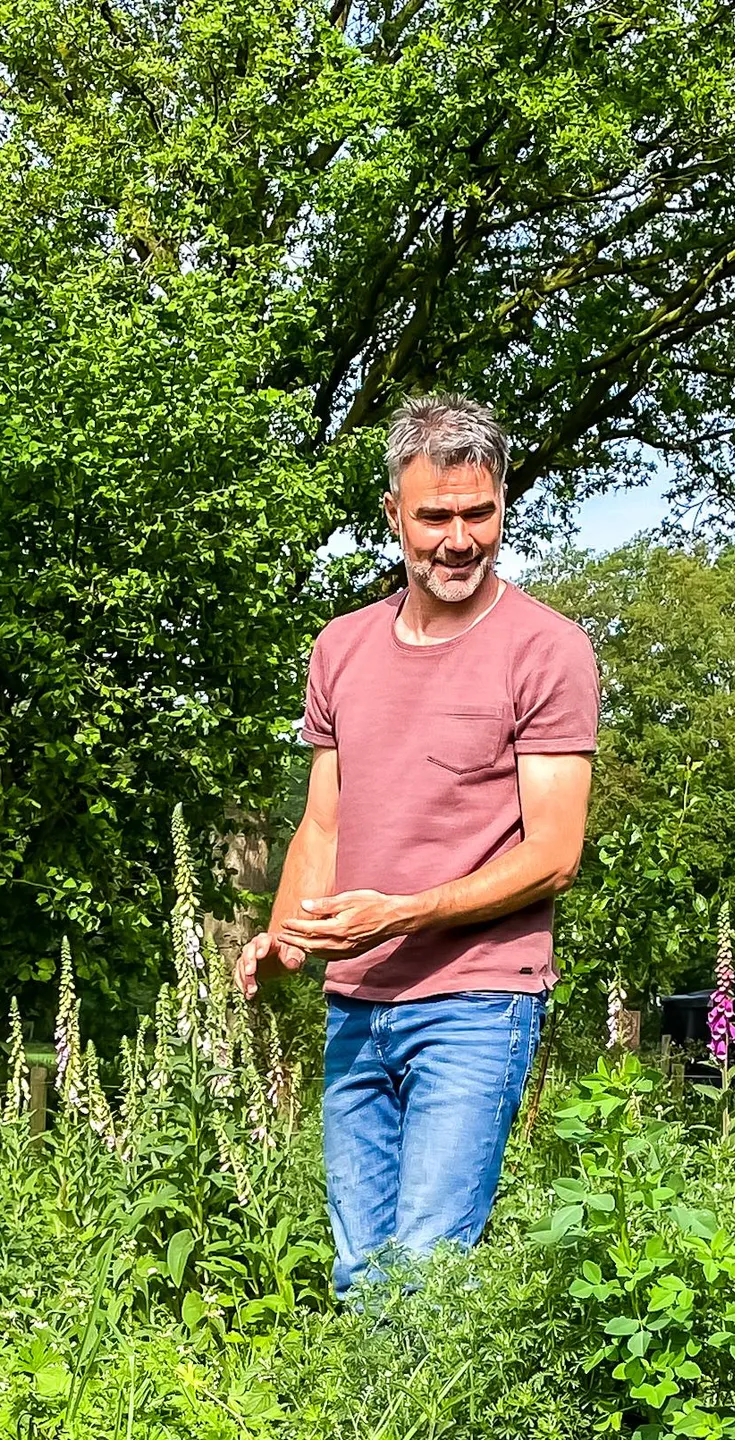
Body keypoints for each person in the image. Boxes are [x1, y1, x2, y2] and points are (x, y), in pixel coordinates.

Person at [238, 394, 598, 1296]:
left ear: (504, 506)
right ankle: (366, 1439)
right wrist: (286, 938)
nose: (458, 538)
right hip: (356, 1002)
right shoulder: (341, 648)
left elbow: (554, 854)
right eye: (434, 515)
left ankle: (420, 1437)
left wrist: (399, 913)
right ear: (395, 514)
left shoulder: (548, 650)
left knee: (427, 1269)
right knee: (360, 1271)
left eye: (479, 513)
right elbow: (324, 821)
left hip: (478, 1000)